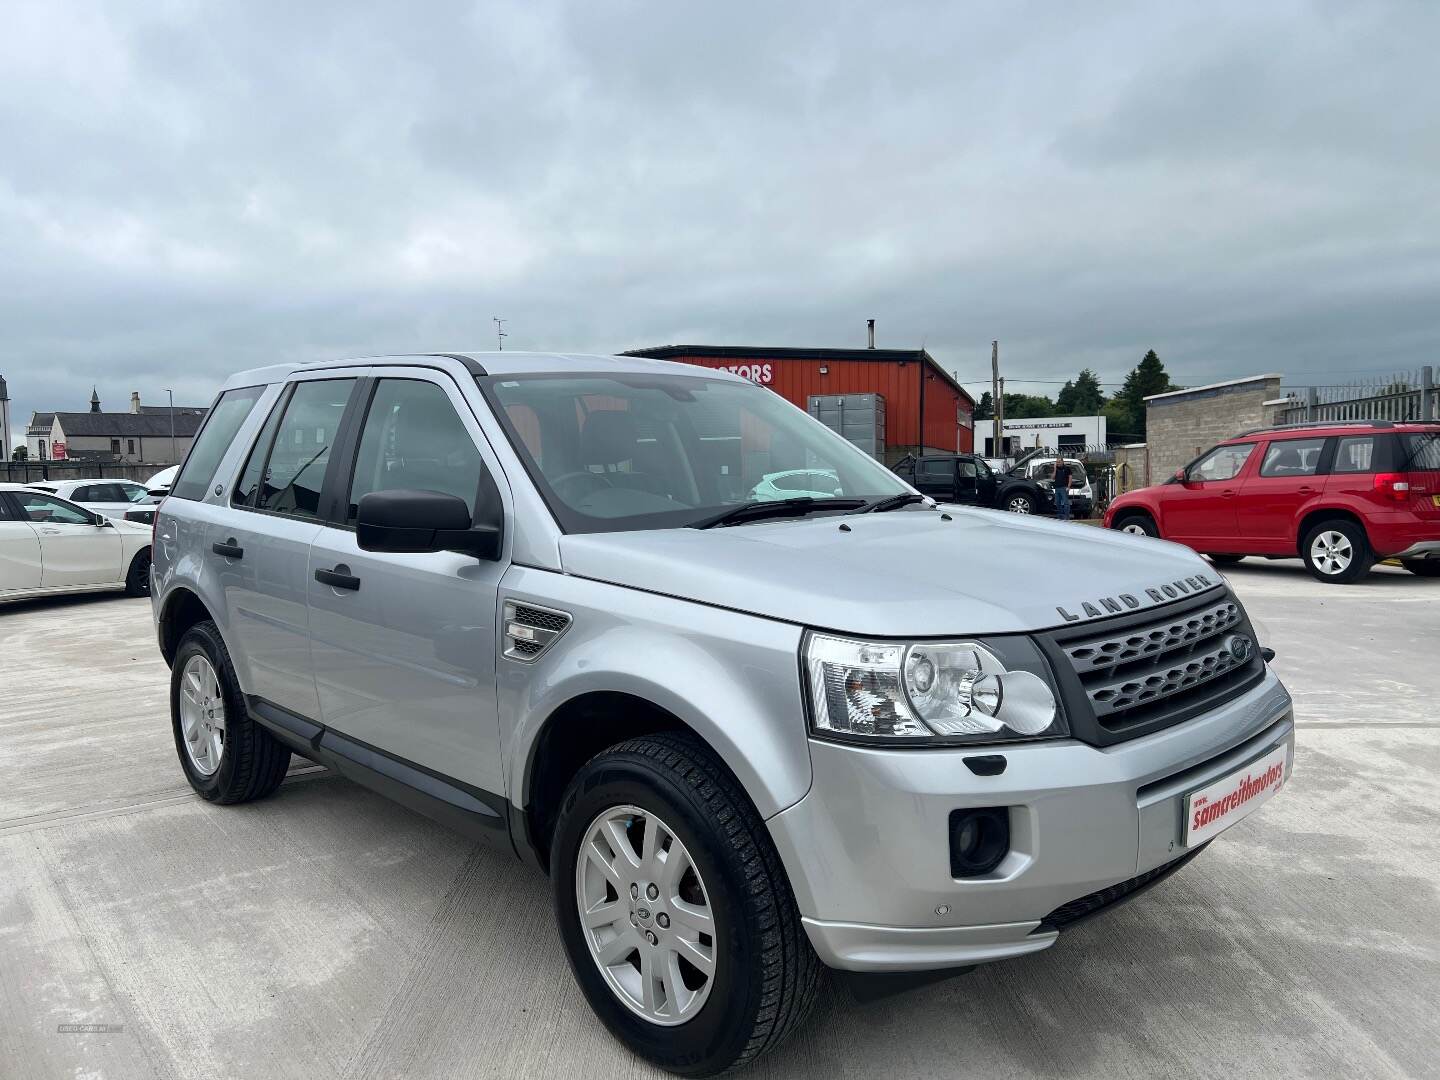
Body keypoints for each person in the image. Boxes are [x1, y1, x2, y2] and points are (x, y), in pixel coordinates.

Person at [1052, 453, 1072, 521]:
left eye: (1059, 462)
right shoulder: (1056, 469)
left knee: (1066, 503)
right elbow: (1053, 478)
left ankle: (1066, 517)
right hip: (1057, 488)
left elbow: (1070, 477)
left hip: (1064, 487)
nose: (1058, 463)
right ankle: (1060, 516)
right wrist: (1054, 469)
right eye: (1057, 462)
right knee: (1057, 503)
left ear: (1062, 462)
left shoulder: (1067, 468)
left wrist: (1068, 486)